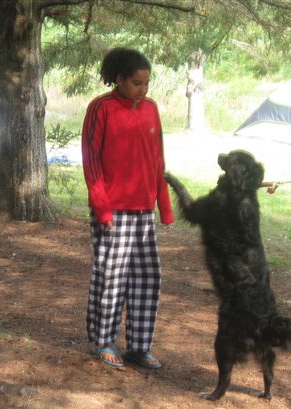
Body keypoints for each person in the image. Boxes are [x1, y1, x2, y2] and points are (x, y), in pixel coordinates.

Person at [81, 47, 174, 369]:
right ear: (119, 79)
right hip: (112, 209)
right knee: (112, 276)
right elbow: (91, 161)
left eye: (146, 83)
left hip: (143, 208)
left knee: (148, 276)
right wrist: (102, 208)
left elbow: (158, 158)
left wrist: (164, 206)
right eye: (136, 83)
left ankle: (138, 347)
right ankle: (104, 341)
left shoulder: (151, 108)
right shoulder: (101, 108)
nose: (142, 89)